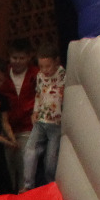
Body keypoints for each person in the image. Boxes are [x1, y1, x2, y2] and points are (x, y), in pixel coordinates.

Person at [21, 44, 65, 189]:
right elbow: (38, 95)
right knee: (29, 151)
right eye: (41, 66)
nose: (45, 70)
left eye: (48, 66)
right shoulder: (40, 76)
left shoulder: (63, 76)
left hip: (56, 123)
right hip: (41, 120)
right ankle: (28, 185)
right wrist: (35, 111)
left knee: (51, 160)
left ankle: (50, 186)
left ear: (56, 62)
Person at [0, 40, 38, 188]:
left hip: (27, 126)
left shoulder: (36, 74)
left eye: (21, 58)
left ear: (29, 57)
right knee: (7, 164)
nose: (18, 61)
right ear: (9, 56)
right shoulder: (2, 74)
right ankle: (8, 194)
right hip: (7, 126)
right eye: (15, 58)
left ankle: (24, 193)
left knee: (25, 161)